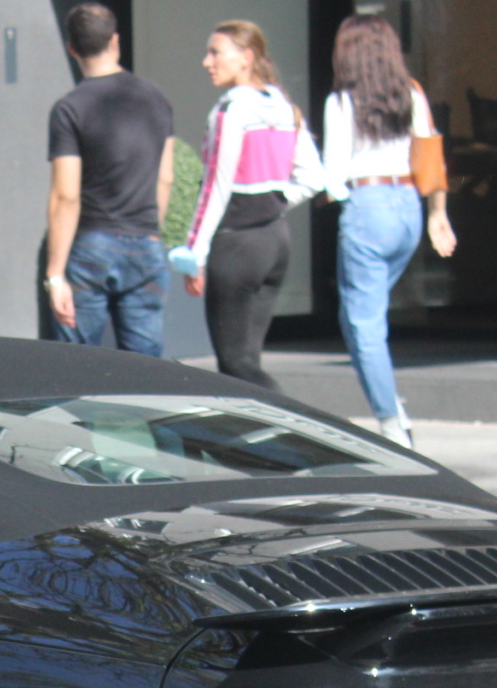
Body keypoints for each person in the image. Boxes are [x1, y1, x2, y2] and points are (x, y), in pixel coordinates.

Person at [168, 21, 324, 389]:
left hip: (237, 245)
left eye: (216, 52)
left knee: (236, 365)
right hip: (274, 242)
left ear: (247, 57)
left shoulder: (231, 111)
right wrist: (276, 201)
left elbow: (215, 188)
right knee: (248, 360)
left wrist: (195, 252)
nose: (207, 61)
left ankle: (292, 429)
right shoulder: (284, 106)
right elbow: (314, 177)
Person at [321, 15, 453, 448]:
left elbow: (335, 174)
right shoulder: (410, 93)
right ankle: (389, 404)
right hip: (408, 207)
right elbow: (431, 155)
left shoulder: (341, 102)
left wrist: (315, 191)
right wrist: (438, 215)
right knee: (355, 317)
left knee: (364, 324)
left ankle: (392, 423)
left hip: (369, 206)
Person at [44, 3, 175, 356]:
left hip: (92, 245)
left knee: (77, 367)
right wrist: (149, 230)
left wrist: (55, 275)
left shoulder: (70, 108)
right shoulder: (157, 100)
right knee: (146, 373)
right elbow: (165, 178)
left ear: (71, 48)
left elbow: (66, 196)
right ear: (115, 41)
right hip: (145, 242)